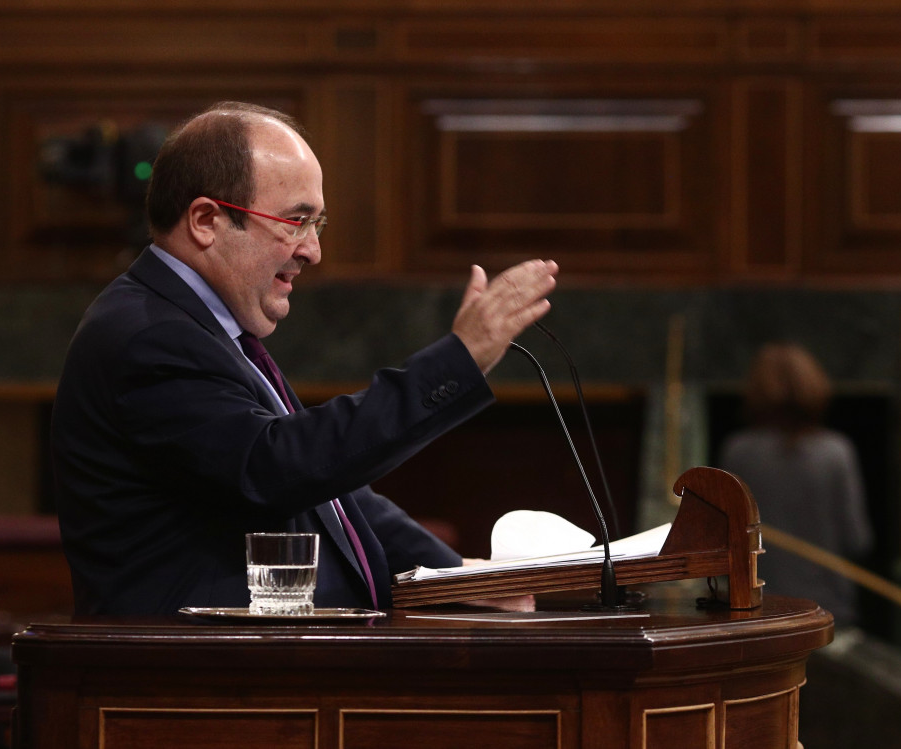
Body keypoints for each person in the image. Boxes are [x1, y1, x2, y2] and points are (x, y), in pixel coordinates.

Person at [50, 101, 558, 615]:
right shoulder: (149, 336)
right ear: (206, 220)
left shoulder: (200, 328)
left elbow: (334, 498)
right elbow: (277, 469)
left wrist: (456, 579)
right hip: (192, 682)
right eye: (294, 221)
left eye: (317, 223)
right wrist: (459, 360)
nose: (312, 249)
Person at [718, 343, 873, 627]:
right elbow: (857, 539)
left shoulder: (738, 451)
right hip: (827, 607)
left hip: (757, 606)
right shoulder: (837, 452)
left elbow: (723, 537)